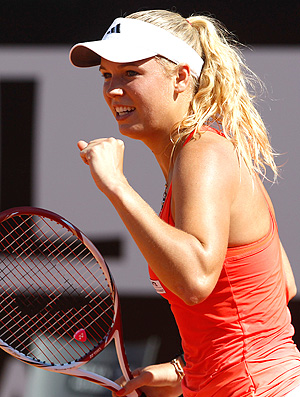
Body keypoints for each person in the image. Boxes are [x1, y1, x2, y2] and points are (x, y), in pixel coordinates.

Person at [69, 9, 300, 397]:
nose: (113, 89)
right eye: (107, 75)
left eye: (131, 73)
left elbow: (194, 280)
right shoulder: (196, 153)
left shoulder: (202, 154)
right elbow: (284, 284)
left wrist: (117, 186)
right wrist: (185, 368)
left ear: (180, 77)